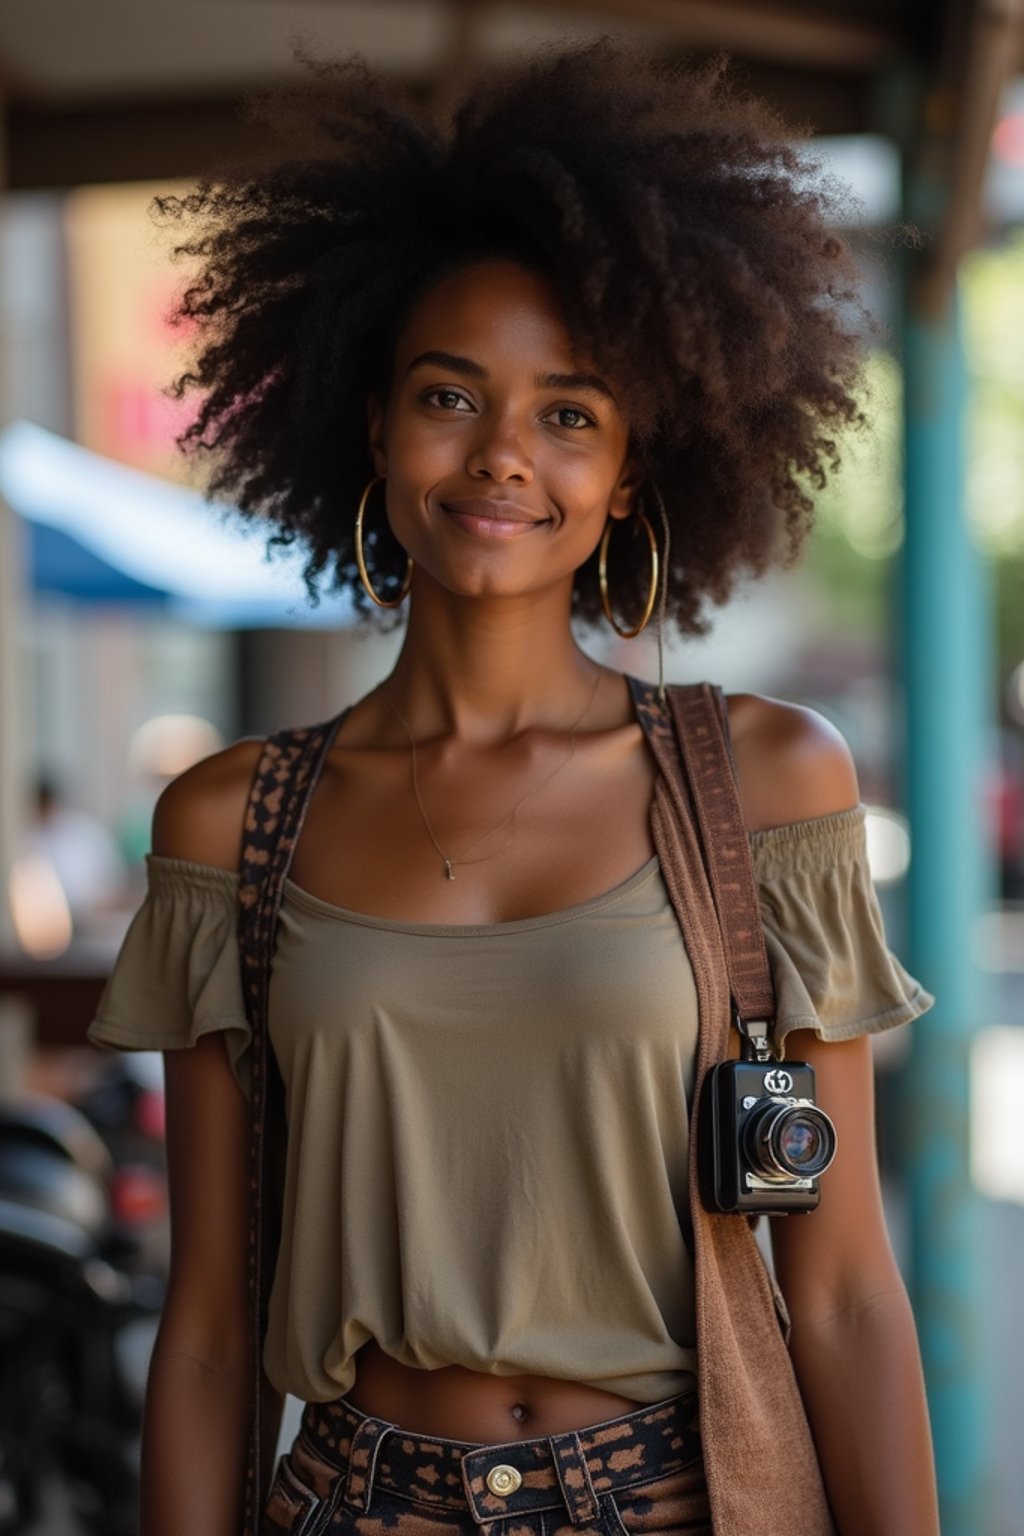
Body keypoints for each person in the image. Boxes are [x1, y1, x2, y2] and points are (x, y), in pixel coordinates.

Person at [87, 43, 940, 1536]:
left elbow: (852, 1292)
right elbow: (211, 1330)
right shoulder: (228, 823)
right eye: (448, 396)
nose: (501, 458)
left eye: (569, 413)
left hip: (682, 1501)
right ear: (370, 423)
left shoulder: (763, 784)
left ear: (631, 468)